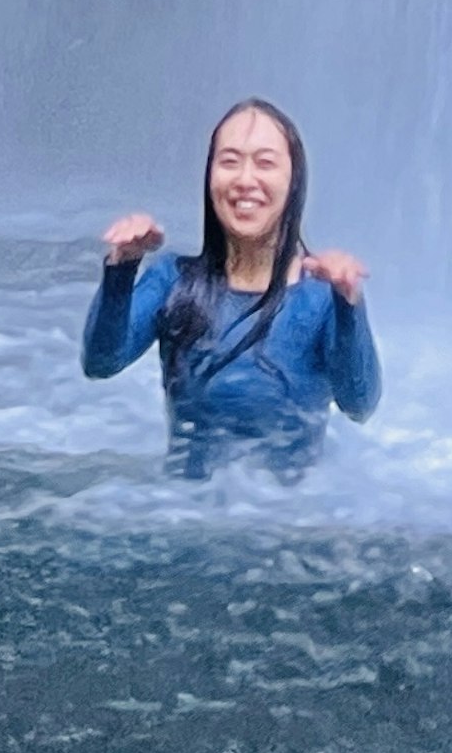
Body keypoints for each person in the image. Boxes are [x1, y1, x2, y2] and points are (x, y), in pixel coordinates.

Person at [82, 97, 378, 473]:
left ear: (294, 183)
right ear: (210, 178)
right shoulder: (173, 280)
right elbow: (101, 363)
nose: (244, 180)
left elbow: (360, 403)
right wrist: (121, 269)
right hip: (188, 514)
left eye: (265, 163)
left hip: (290, 519)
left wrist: (349, 303)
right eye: (230, 161)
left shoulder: (320, 297)